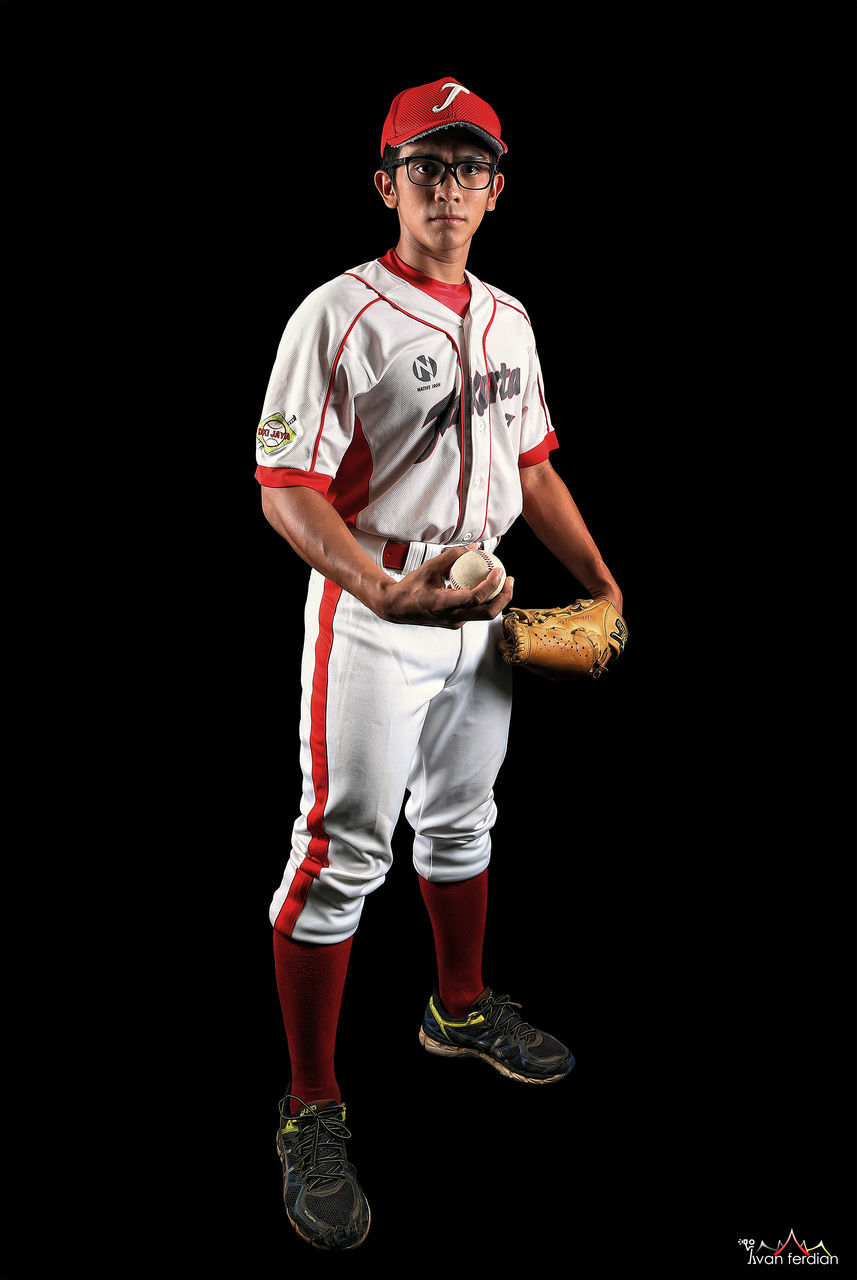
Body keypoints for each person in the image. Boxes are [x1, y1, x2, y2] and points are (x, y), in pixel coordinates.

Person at [254, 75, 624, 1252]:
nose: (450, 188)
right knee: (339, 848)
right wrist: (374, 588)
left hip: (480, 596)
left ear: (496, 190)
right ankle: (311, 1104)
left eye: (470, 168)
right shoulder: (339, 312)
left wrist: (604, 581)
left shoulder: (508, 315)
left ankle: (454, 1010)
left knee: (464, 819)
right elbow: (284, 486)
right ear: (386, 184)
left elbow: (535, 464)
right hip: (374, 600)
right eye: (428, 166)